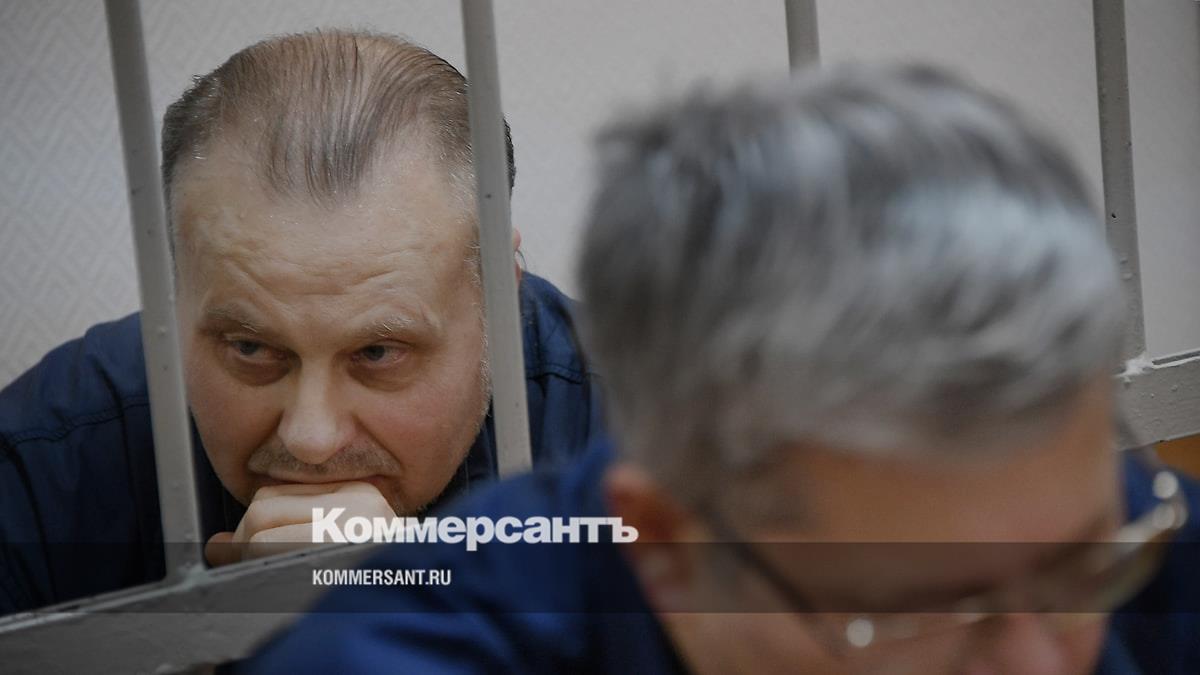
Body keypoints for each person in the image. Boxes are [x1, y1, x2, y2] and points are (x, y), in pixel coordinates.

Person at [243, 64, 1200, 674]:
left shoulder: (1103, 534)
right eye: (926, 611)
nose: (1048, 662)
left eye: (1081, 566)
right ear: (665, 541)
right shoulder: (400, 655)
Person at [0, 30, 601, 613]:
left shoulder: (632, 433)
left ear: (499, 296)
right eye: (250, 348)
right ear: (174, 296)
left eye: (377, 352)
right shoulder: (43, 465)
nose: (311, 441)